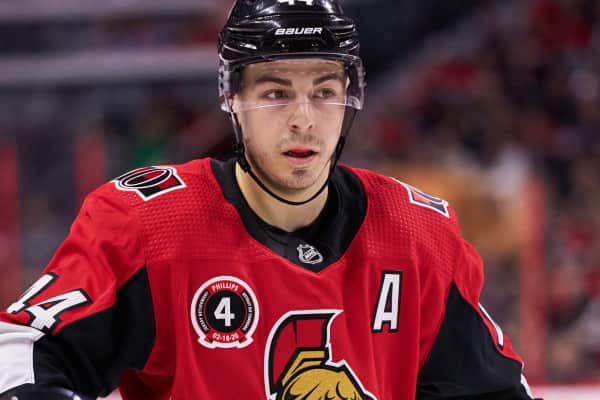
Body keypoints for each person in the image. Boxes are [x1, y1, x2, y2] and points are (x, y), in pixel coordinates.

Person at [0, 1, 540, 399]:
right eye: (276, 93)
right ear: (232, 98)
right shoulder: (148, 223)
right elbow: (21, 350)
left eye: (324, 92)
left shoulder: (417, 235)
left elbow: (494, 391)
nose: (303, 119)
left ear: (349, 98)